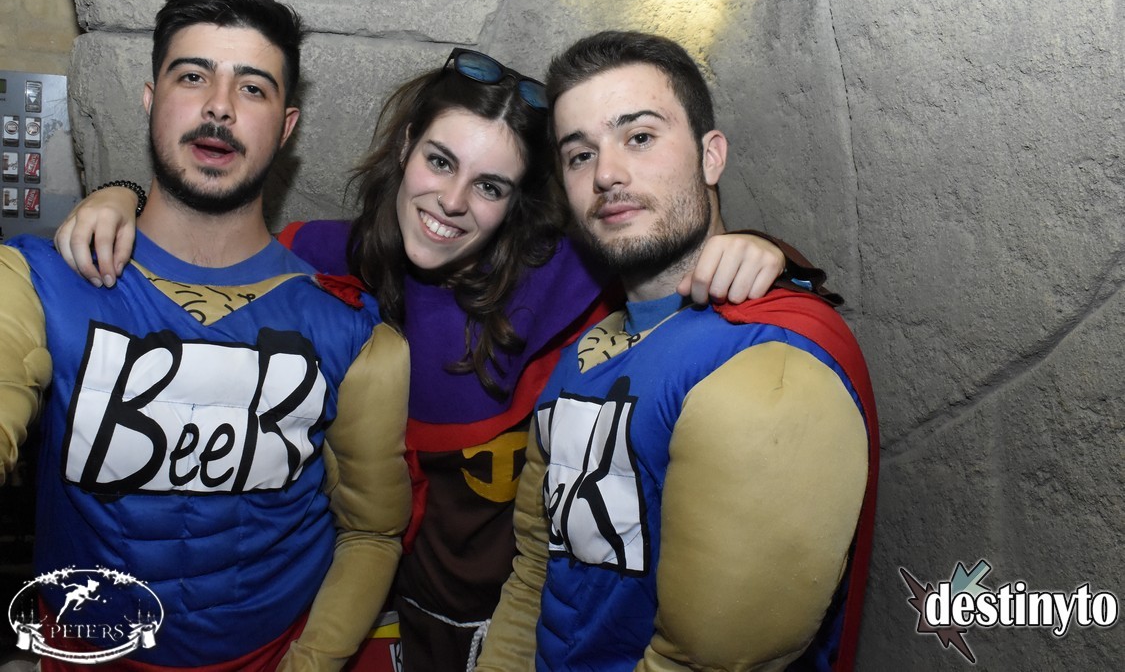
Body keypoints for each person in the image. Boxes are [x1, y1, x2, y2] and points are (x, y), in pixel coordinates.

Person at [55, 45, 835, 671]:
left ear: (519, 202)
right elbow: (209, 242)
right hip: (363, 613)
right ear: (405, 148)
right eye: (439, 162)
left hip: (514, 625)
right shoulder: (320, 258)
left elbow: (673, 254)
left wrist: (760, 250)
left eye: (490, 186)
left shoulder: (566, 273)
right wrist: (120, 196)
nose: (453, 202)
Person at [0, 0, 411, 671]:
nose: (220, 106)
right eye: (192, 77)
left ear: (286, 127)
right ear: (150, 99)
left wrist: (309, 664)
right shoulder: (38, 282)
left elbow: (372, 531)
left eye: (252, 88)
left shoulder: (351, 333)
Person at [476, 31, 880, 672]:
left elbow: (704, 662)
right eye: (580, 155)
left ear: (711, 156)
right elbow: (534, 573)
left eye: (639, 137)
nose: (606, 174)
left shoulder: (767, 363)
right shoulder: (581, 352)